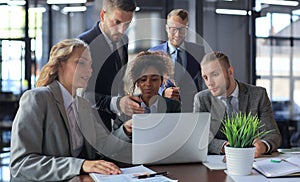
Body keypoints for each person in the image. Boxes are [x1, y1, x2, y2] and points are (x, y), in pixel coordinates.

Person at [9, 39, 127, 181]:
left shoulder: (82, 105)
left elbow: (105, 144)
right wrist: (80, 165)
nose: (89, 71)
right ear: (60, 65)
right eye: (80, 63)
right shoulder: (37, 99)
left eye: (90, 65)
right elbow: (21, 163)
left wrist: (126, 130)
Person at [193, 51, 282, 157]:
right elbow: (199, 138)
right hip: (217, 164)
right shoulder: (202, 99)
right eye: (205, 77)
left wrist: (262, 146)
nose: (209, 83)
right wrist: (227, 147)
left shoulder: (258, 95)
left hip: (253, 162)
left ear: (230, 72)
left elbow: (273, 134)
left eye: (215, 74)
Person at [78, 0, 144, 132]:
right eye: (117, 22)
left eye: (127, 24)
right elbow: (79, 94)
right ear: (103, 15)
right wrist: (117, 103)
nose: (121, 30)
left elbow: (117, 82)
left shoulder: (124, 41)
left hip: (113, 124)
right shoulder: (84, 43)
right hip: (88, 123)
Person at [113, 51, 181, 137]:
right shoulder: (128, 107)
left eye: (154, 79)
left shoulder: (173, 107)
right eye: (143, 80)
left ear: (161, 81)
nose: (148, 84)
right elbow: (113, 140)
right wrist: (126, 130)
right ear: (137, 82)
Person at [149, 9, 205, 111]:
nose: (178, 34)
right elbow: (147, 85)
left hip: (191, 109)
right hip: (163, 110)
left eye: (182, 29)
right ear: (166, 28)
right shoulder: (153, 53)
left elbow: (204, 81)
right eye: (173, 29)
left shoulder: (198, 51)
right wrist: (163, 92)